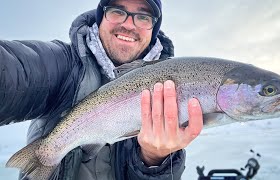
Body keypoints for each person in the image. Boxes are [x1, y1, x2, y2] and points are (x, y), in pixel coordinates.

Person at [0, 0, 204, 179]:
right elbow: (13, 70)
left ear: (153, 28)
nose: (128, 24)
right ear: (101, 16)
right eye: (117, 11)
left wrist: (155, 159)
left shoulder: (171, 83)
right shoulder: (60, 64)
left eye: (143, 17)